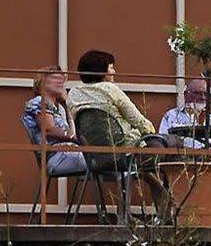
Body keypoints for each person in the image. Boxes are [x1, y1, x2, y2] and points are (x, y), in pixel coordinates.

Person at [65, 49, 170, 208]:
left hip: (96, 157)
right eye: (111, 67)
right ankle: (172, 210)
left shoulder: (73, 93)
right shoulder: (110, 89)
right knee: (166, 146)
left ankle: (159, 203)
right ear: (102, 71)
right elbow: (138, 120)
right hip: (125, 151)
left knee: (142, 166)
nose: (114, 71)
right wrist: (152, 134)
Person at [21, 67, 87, 179]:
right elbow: (49, 130)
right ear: (41, 82)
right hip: (57, 158)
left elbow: (72, 131)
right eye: (55, 78)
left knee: (110, 161)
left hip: (68, 155)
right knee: (103, 160)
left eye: (62, 79)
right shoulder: (38, 101)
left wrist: (66, 105)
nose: (60, 81)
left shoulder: (55, 110)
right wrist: (76, 138)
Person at [159, 76, 211, 146]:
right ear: (186, 95)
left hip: (209, 155)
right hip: (180, 156)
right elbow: (163, 140)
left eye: (206, 94)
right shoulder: (171, 115)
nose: (203, 97)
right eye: (198, 93)